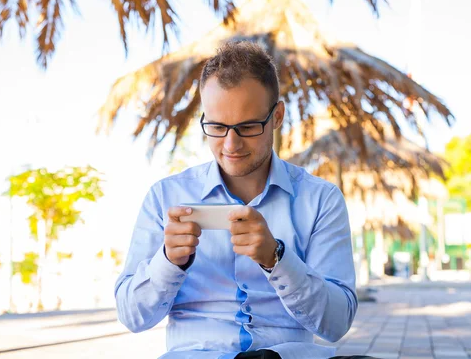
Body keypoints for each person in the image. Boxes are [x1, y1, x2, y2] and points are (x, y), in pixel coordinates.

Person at [115, 42, 375, 359]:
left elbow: (336, 324)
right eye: (217, 127)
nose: (231, 144)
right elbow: (132, 316)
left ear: (277, 116)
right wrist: (169, 262)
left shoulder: (320, 200)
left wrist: (277, 259)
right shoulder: (165, 197)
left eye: (248, 127)